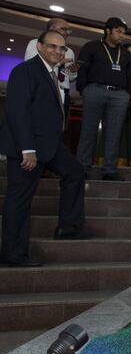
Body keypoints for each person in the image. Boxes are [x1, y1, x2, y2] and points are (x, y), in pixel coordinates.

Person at [0, 31, 86, 266]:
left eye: (62, 48)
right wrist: (27, 149)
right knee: (19, 200)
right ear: (39, 46)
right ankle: (13, 254)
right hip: (27, 147)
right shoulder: (25, 71)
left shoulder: (54, 73)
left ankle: (68, 227)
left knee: (75, 173)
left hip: (49, 144)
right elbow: (17, 112)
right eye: (52, 46)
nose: (58, 51)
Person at [75, 17, 131, 181]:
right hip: (95, 91)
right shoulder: (91, 46)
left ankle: (110, 170)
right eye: (118, 31)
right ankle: (82, 167)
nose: (122, 35)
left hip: (119, 95)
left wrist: (128, 95)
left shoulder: (126, 54)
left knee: (114, 133)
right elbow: (81, 68)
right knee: (89, 131)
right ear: (108, 30)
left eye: (124, 33)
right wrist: (83, 89)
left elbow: (130, 76)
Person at [24, 18, 77, 120]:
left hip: (63, 91)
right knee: (38, 120)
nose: (67, 32)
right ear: (51, 28)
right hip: (42, 87)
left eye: (68, 30)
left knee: (59, 124)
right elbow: (31, 66)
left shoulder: (69, 51)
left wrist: (73, 71)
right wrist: (57, 63)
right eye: (63, 29)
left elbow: (70, 78)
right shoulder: (36, 43)